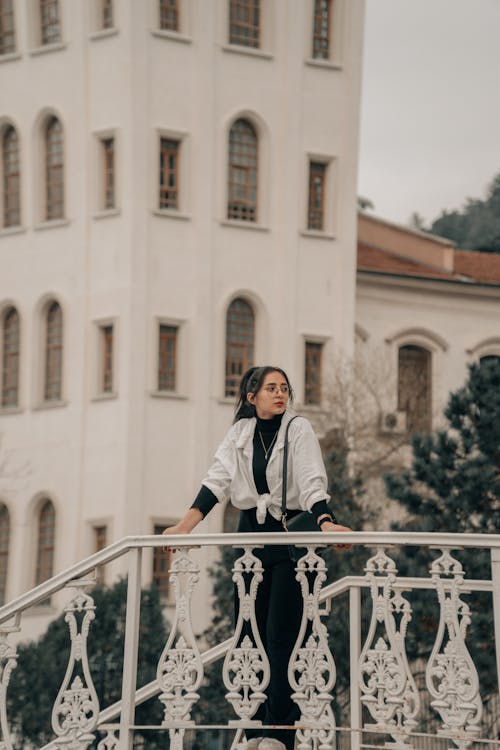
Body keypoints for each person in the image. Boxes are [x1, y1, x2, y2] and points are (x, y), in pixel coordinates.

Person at [163, 365, 351, 750]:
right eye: (271, 388)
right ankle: (252, 730)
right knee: (248, 633)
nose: (280, 394)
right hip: (250, 538)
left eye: (284, 388)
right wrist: (185, 525)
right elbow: (216, 481)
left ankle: (280, 732)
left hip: (289, 539)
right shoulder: (240, 434)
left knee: (282, 635)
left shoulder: (298, 429)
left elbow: (312, 478)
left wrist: (326, 521)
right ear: (252, 397)